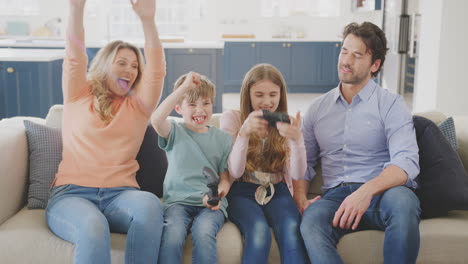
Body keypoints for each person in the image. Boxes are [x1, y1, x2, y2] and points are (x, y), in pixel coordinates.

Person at [45, 0, 166, 263]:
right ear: (105, 64)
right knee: (93, 225)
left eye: (135, 66)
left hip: (121, 195)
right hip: (72, 194)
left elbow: (156, 71)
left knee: (150, 206)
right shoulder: (79, 92)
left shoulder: (138, 106)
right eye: (122, 63)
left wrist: (148, 20)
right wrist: (76, 9)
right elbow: (75, 56)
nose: (130, 70)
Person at [295, 22, 421, 264]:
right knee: (310, 221)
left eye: (357, 55)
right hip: (335, 198)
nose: (346, 61)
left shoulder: (392, 104)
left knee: (405, 204)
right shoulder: (317, 109)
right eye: (344, 51)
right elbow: (304, 164)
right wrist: (301, 198)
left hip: (382, 194)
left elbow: (406, 162)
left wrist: (366, 191)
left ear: (375, 65)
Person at [220, 63, 308, 264]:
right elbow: (235, 170)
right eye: (259, 95)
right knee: (259, 231)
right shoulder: (232, 118)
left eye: (273, 94)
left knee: (291, 231)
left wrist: (297, 140)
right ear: (248, 94)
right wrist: (244, 133)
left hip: (278, 191)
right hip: (241, 190)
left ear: (281, 95)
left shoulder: (287, 121)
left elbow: (297, 173)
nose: (266, 101)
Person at [151, 72, 233, 263]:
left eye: (206, 103)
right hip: (177, 203)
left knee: (204, 234)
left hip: (210, 206)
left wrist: (216, 196)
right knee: (172, 236)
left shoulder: (223, 139)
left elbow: (225, 178)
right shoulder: (173, 131)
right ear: (178, 108)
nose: (200, 110)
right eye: (192, 104)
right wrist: (184, 88)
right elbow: (156, 119)